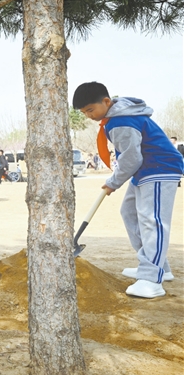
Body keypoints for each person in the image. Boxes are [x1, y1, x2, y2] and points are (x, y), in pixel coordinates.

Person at [73, 82, 183, 299]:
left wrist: (113, 182)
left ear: (106, 102)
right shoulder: (117, 117)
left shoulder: (121, 122)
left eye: (90, 110)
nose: (88, 116)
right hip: (144, 170)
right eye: (84, 113)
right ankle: (157, 266)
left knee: (152, 220)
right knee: (129, 212)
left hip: (159, 168)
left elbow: (131, 158)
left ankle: (152, 279)